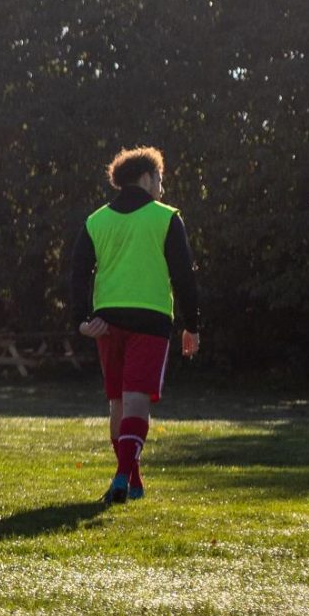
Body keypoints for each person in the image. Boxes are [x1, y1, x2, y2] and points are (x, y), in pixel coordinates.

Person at [69, 146, 202, 504]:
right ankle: (121, 477)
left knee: (118, 403)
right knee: (137, 400)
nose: (162, 187)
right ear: (146, 178)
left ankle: (132, 480)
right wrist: (192, 324)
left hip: (106, 320)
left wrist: (81, 320)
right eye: (160, 179)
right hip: (150, 318)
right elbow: (184, 276)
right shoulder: (166, 217)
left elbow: (77, 274)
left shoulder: (96, 221)